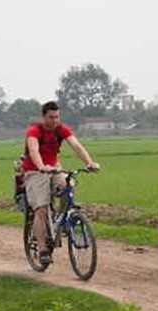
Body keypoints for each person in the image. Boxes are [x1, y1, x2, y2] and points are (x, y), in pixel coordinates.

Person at [22, 101, 100, 266]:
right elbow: (34, 150)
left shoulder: (61, 129)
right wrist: (42, 166)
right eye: (51, 117)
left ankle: (62, 218)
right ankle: (43, 249)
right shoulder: (34, 131)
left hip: (55, 169)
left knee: (69, 183)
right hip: (35, 171)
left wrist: (90, 162)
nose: (55, 120)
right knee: (41, 210)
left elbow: (76, 145)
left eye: (57, 117)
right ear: (44, 117)